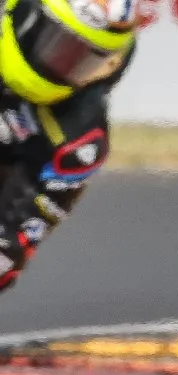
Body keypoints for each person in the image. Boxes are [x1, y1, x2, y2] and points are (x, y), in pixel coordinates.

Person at [0, 0, 137, 294]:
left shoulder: (77, 142)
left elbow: (12, 246)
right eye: (55, 43)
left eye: (84, 59)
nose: (63, 62)